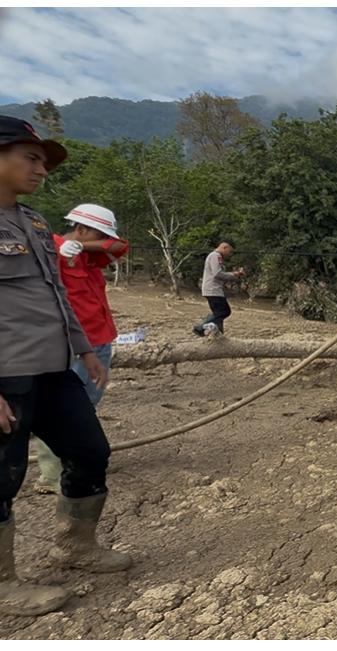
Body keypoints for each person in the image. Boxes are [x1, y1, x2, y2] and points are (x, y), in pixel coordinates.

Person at [0, 115, 131, 616]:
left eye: (43, 162)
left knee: (90, 449)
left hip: (54, 366)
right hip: (7, 371)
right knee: (2, 476)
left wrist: (84, 349)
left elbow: (56, 296)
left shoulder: (32, 223)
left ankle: (75, 545)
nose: (40, 169)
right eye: (30, 158)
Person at [34, 203, 130, 494]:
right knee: (65, 409)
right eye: (98, 233)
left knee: (87, 405)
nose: (104, 239)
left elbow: (121, 246)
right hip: (74, 344)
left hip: (99, 340)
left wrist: (84, 245)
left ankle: (79, 457)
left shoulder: (88, 254)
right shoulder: (51, 248)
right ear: (81, 227)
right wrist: (63, 248)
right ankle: (53, 474)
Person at [192, 240, 244, 337]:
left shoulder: (215, 256)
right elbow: (218, 274)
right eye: (230, 251)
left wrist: (234, 275)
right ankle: (201, 327)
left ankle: (219, 335)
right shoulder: (216, 256)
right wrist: (233, 274)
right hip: (213, 290)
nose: (230, 254)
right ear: (224, 247)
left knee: (218, 314)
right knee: (224, 311)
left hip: (212, 289)